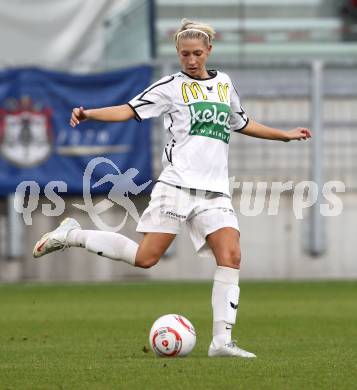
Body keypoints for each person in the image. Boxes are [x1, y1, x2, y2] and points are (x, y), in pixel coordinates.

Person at [33, 19, 311, 358]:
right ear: (178, 55)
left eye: (196, 53)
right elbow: (129, 110)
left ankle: (221, 342)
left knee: (232, 255)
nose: (191, 60)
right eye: (184, 55)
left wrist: (284, 134)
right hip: (177, 184)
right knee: (146, 257)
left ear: (209, 50)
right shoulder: (170, 86)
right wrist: (90, 113)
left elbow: (241, 122)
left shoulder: (224, 84)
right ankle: (72, 235)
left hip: (214, 191)